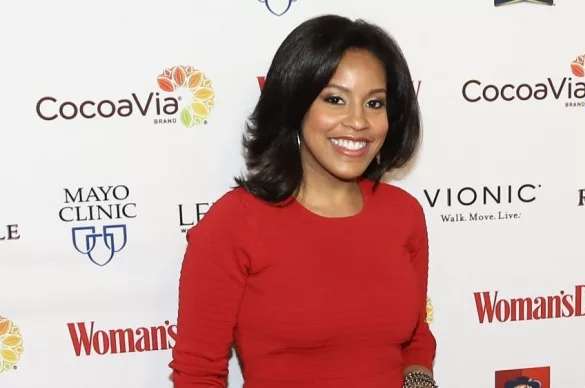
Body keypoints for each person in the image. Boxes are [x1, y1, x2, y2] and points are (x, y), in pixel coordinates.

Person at [169, 14, 437, 388]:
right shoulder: (236, 222)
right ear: (295, 105)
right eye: (335, 99)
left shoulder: (403, 214)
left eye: (375, 104)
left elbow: (415, 340)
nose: (358, 121)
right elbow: (198, 374)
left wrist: (420, 381)